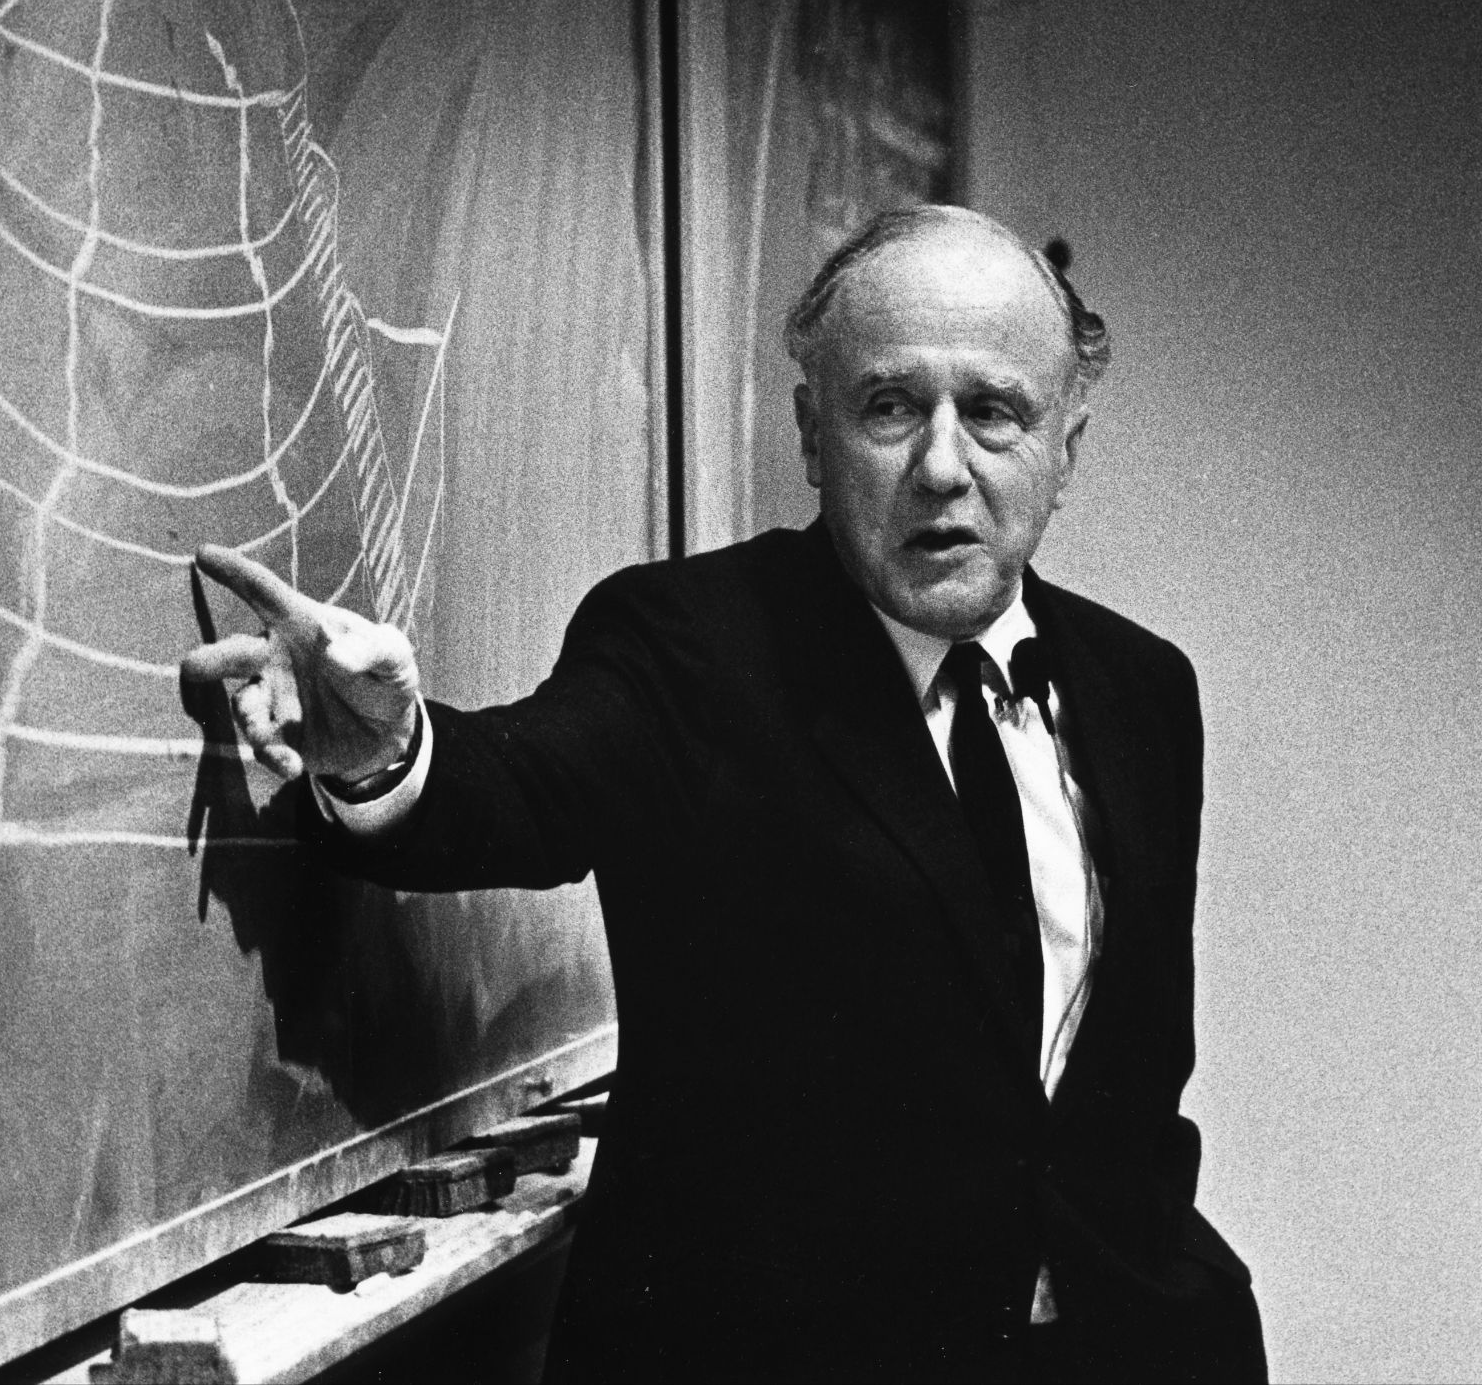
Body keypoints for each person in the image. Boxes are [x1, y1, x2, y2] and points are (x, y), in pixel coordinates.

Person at [180, 205, 1265, 1382]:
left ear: (1066, 444)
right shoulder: (691, 648)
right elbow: (522, 784)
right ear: (812, 434)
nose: (942, 466)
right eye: (889, 406)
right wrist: (390, 749)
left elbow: (1116, 1087)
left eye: (994, 412)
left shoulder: (1140, 691)